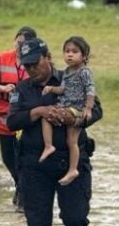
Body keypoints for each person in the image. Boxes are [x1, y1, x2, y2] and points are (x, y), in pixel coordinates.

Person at [6, 37, 103, 226]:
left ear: (48, 57)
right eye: (26, 66)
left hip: (70, 159)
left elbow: (97, 109)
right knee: (38, 222)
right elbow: (12, 121)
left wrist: (74, 118)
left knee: (75, 217)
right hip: (34, 164)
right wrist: (38, 112)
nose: (31, 70)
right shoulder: (22, 89)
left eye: (35, 64)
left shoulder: (71, 77)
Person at [0, 26, 36, 209]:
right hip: (4, 111)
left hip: (26, 112)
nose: (20, 46)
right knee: (8, 156)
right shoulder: (2, 58)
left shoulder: (35, 60)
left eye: (24, 44)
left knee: (25, 155)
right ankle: (20, 185)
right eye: (18, 42)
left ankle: (24, 192)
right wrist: (3, 88)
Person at [38, 36, 96, 186]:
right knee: (69, 139)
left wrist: (88, 109)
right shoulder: (67, 72)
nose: (69, 54)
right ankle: (50, 147)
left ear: (84, 56)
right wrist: (51, 89)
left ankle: (71, 168)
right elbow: (63, 89)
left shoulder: (84, 72)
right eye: (67, 51)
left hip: (76, 108)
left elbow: (90, 90)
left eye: (74, 52)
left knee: (53, 118)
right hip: (66, 105)